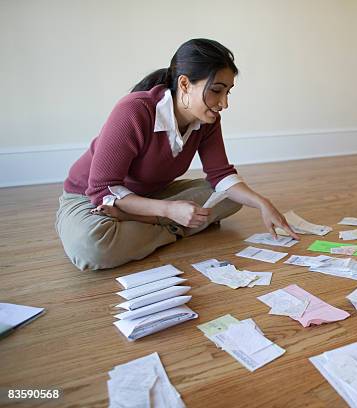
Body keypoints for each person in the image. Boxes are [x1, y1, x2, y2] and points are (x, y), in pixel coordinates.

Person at [56, 38, 298, 271]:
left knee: (231, 197)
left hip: (150, 194)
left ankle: (141, 220)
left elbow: (221, 174)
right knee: (92, 247)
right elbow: (103, 189)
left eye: (228, 92)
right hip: (89, 197)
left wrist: (263, 203)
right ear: (184, 84)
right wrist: (169, 211)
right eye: (216, 90)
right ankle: (172, 226)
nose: (223, 103)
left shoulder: (208, 121)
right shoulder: (134, 110)